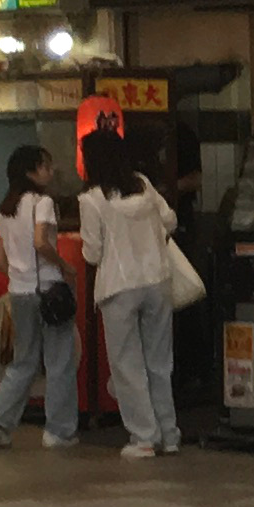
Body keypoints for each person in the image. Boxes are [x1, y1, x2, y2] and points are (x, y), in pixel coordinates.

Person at [78, 128, 179, 457]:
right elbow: (171, 221)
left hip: (119, 286)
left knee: (127, 365)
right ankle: (170, 434)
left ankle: (144, 438)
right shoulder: (143, 185)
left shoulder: (91, 200)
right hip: (157, 280)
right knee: (159, 362)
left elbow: (92, 253)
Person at [0, 146, 79, 453]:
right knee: (59, 361)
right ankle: (58, 431)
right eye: (45, 167)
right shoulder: (43, 202)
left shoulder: (6, 209)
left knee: (23, 361)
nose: (50, 172)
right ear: (30, 172)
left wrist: (20, 277)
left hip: (19, 292)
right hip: (49, 290)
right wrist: (64, 266)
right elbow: (40, 242)